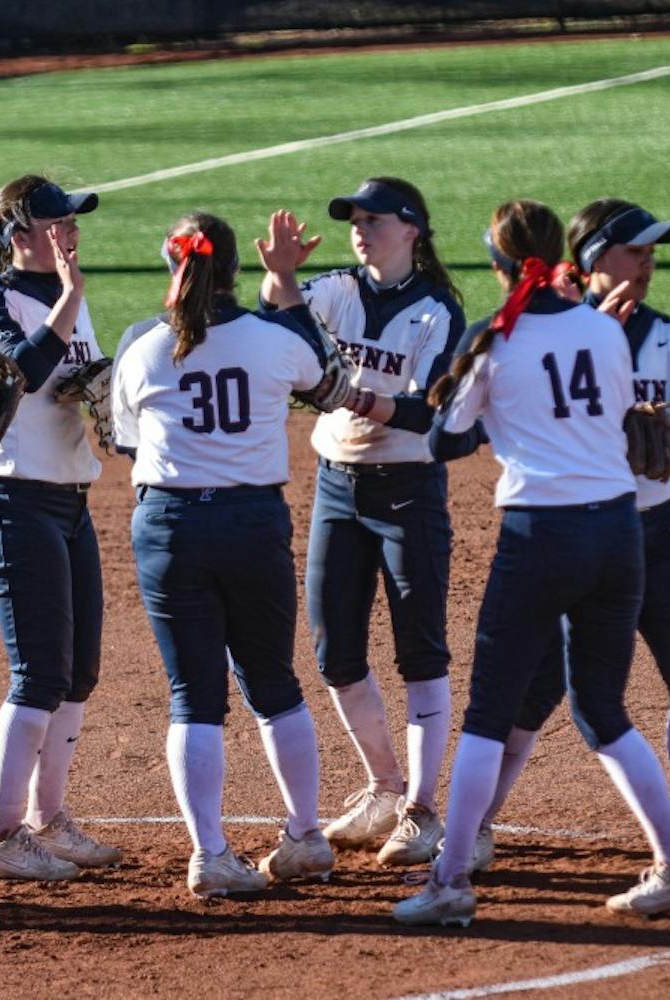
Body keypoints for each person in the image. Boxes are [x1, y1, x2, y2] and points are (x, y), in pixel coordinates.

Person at [393, 200, 670, 926]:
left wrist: (469, 394)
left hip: (540, 539)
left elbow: (444, 441)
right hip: (618, 535)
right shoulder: (604, 329)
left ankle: (448, 883)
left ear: (498, 262)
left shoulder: (495, 339)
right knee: (602, 709)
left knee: (488, 715)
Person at [466, 199, 670, 877]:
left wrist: (661, 427)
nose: (648, 266)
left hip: (656, 534)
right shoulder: (548, 333)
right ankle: (477, 828)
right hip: (577, 534)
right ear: (595, 259)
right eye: (637, 252)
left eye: (653, 255)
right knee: (531, 693)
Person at [113, 211, 353, 897]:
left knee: (194, 697)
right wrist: (287, 285)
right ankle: (306, 835)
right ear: (231, 271)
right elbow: (329, 384)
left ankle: (211, 854)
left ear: (173, 265)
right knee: (275, 684)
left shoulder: (143, 349)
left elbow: (129, 443)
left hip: (169, 525)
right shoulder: (272, 339)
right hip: (252, 523)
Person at [259, 178, 466, 867]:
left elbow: (426, 412)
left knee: (420, 651)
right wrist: (279, 279)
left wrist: (349, 394)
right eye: (354, 219)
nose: (359, 228)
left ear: (411, 229)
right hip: (337, 488)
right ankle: (384, 787)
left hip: (409, 491)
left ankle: (424, 811)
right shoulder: (338, 289)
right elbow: (282, 330)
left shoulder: (438, 309)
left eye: (373, 219)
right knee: (334, 649)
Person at [0, 175, 123, 883]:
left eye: (74, 220)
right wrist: (71, 298)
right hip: (13, 502)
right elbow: (18, 372)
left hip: (69, 499)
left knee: (77, 671)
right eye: (57, 222)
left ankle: (47, 821)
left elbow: (69, 380)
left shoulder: (62, 297)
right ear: (19, 234)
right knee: (38, 675)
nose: (71, 230)